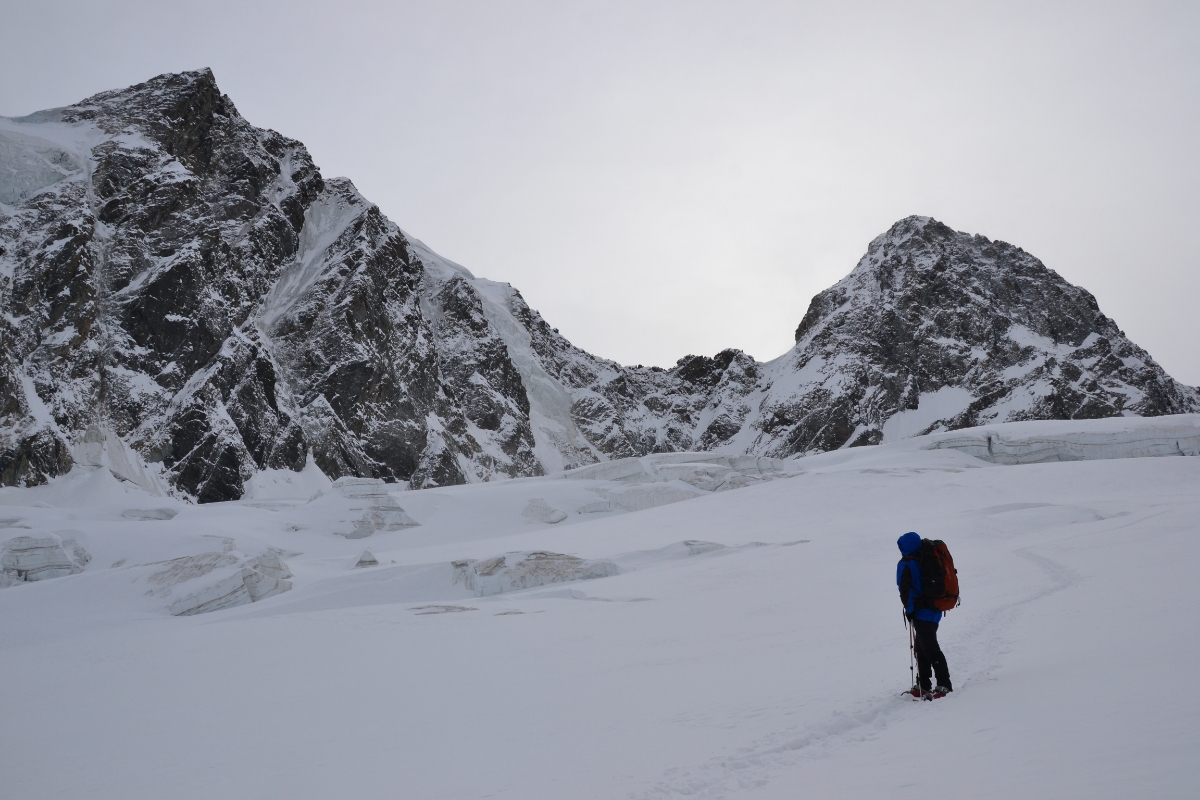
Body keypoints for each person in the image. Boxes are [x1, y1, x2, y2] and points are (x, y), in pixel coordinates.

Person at [896, 531, 953, 698]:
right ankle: (924, 684)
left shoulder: (906, 563)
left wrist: (910, 611)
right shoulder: (927, 558)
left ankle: (944, 685)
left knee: (930, 649)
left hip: (921, 612)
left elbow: (905, 591)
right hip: (935, 609)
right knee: (922, 649)